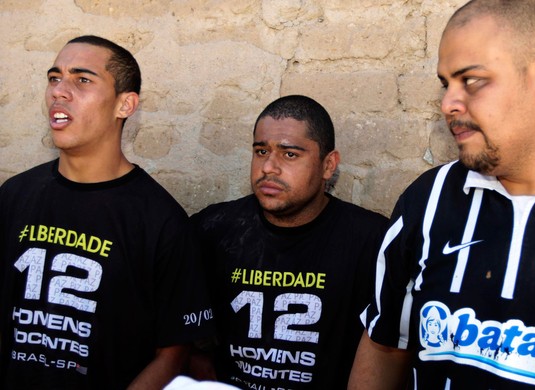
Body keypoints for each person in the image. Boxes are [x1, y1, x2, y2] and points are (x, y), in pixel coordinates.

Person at [348, 0, 535, 388]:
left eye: (471, 80)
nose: (447, 104)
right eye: (446, 84)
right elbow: (387, 345)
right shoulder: (427, 201)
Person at [0, 35, 215, 389]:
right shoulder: (14, 195)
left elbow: (173, 354)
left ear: (125, 105)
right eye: (55, 78)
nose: (59, 91)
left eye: (82, 80)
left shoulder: (161, 220)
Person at [191, 95, 388, 389]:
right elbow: (183, 338)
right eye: (261, 151)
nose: (269, 167)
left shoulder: (372, 242)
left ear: (328, 164)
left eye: (290, 154)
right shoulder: (211, 230)